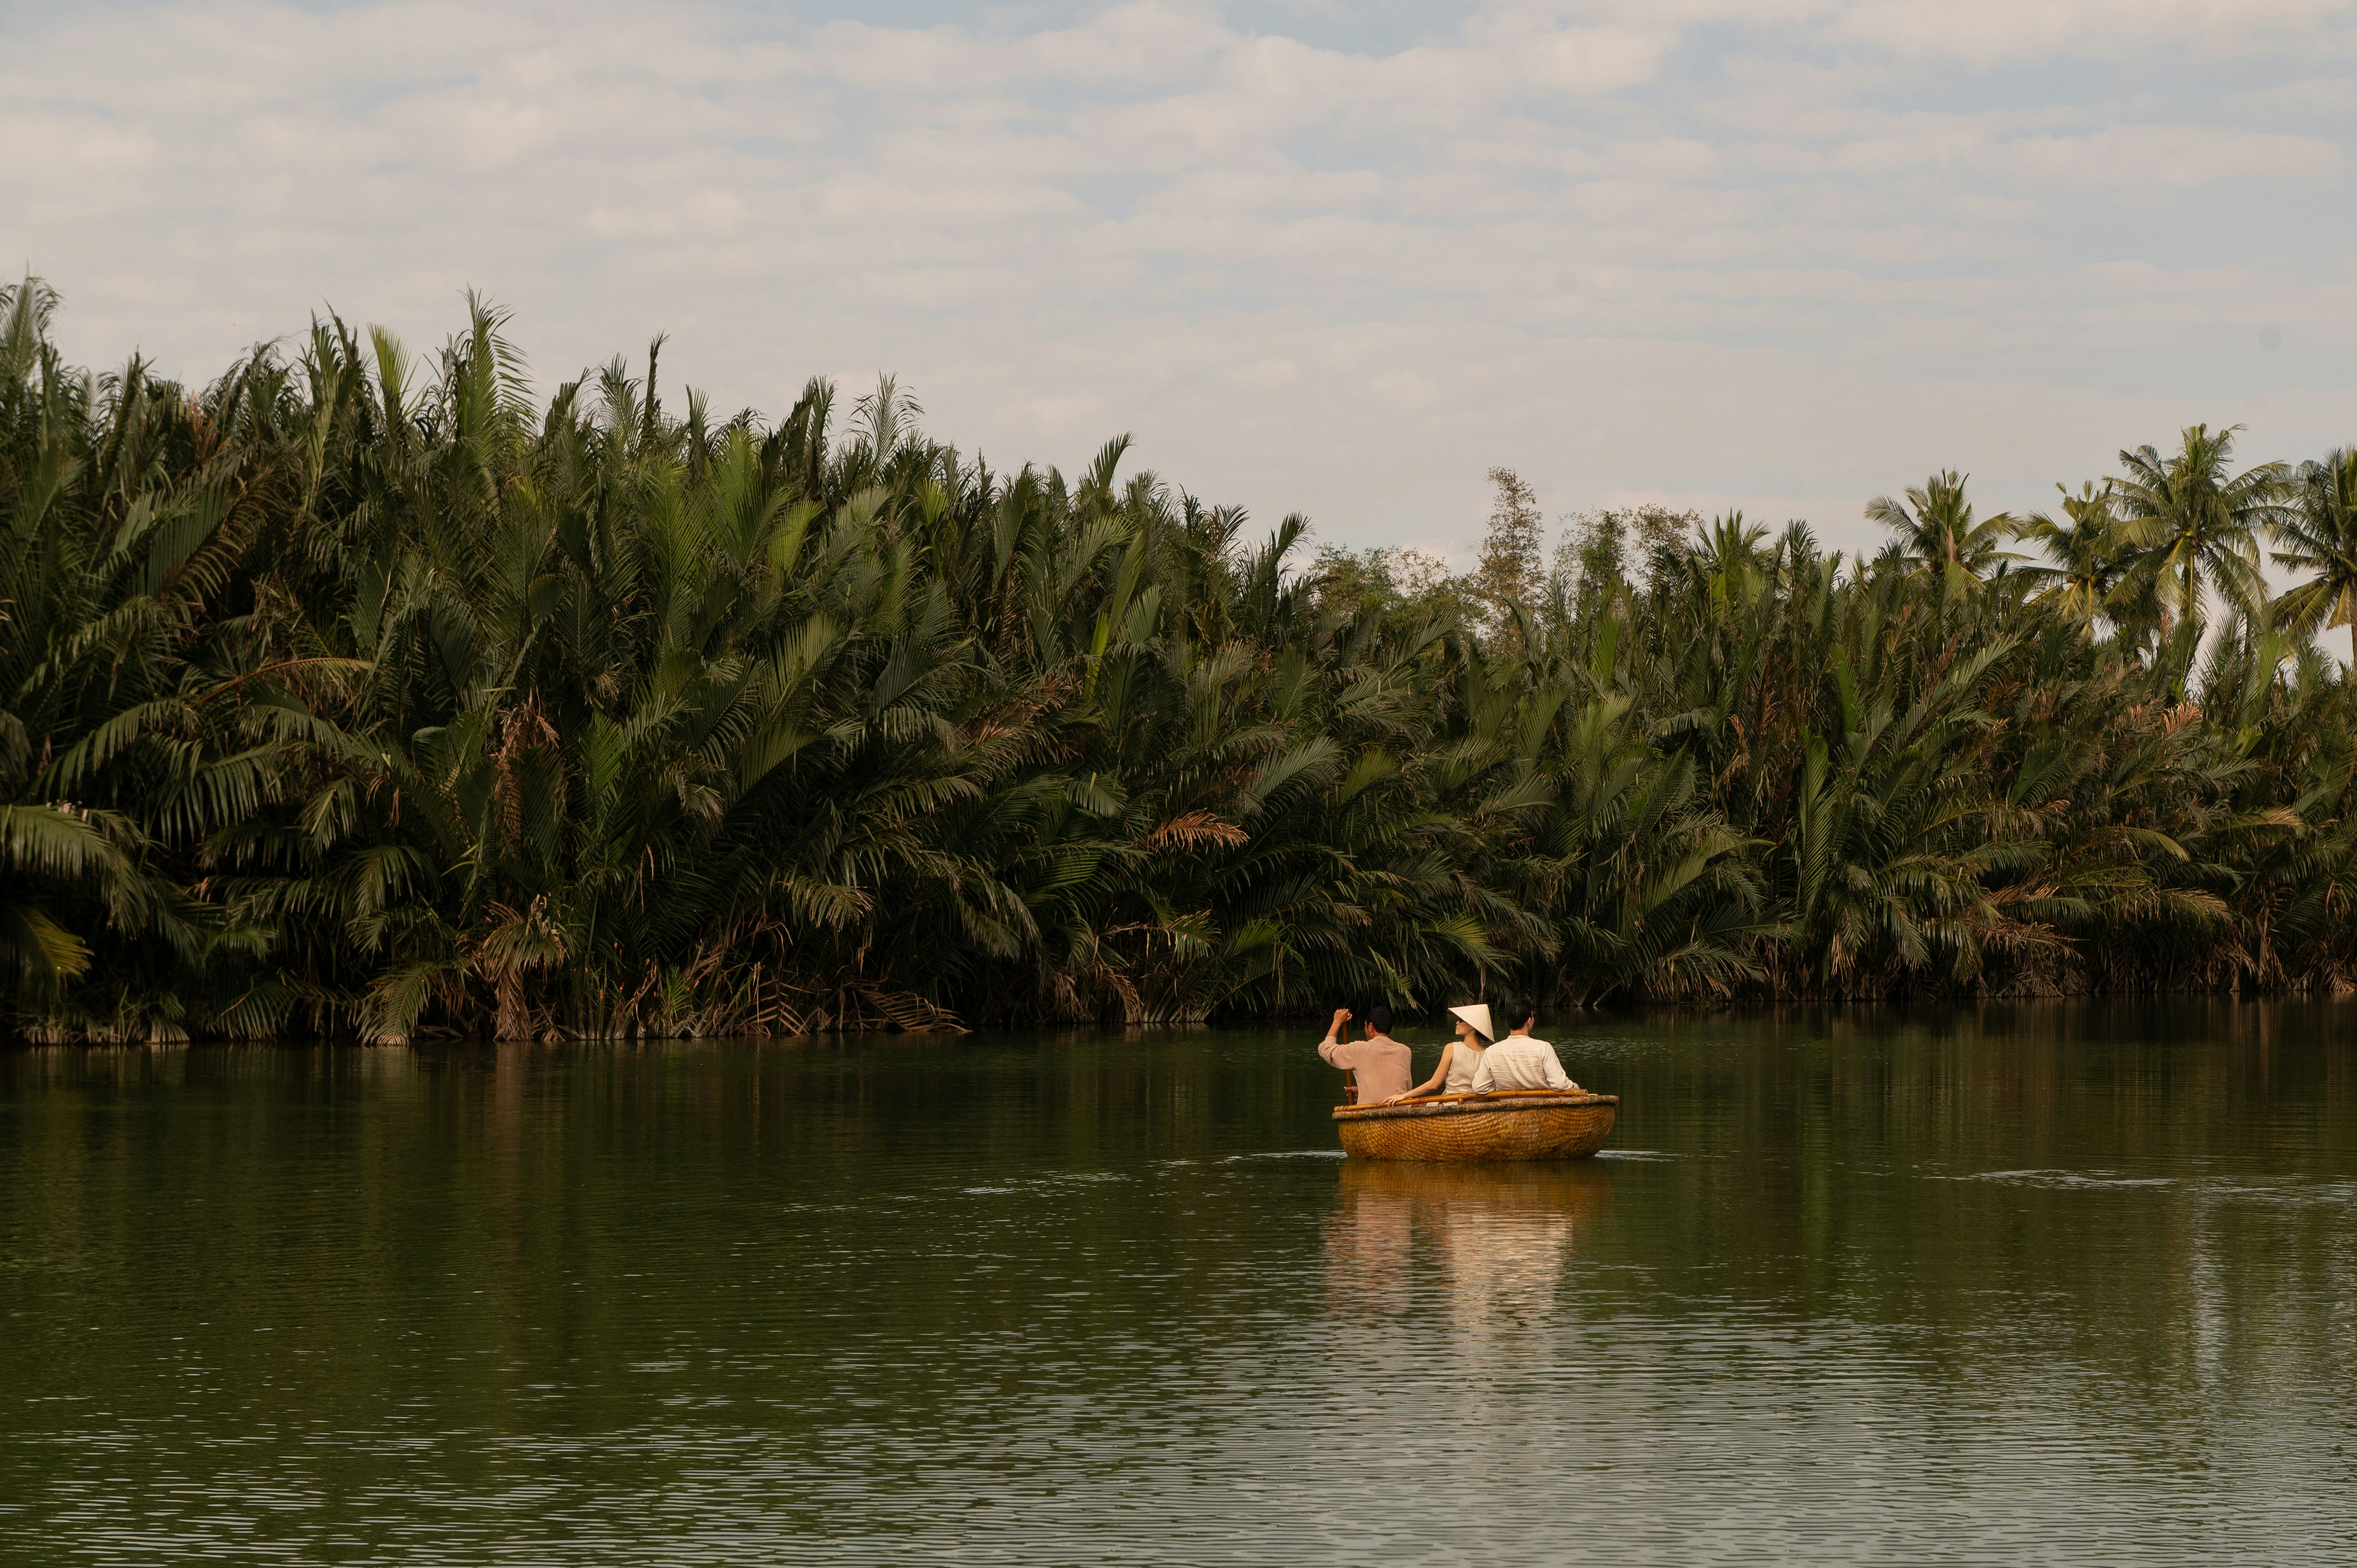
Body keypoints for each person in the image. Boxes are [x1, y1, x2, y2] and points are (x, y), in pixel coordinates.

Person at [1469, 998, 1580, 1093]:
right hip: (1543, 1110)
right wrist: (1574, 1087)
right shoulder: (1543, 1048)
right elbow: (1560, 1085)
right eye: (1533, 1016)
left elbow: (1479, 1087)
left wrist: (1500, 1089)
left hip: (1508, 1114)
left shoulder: (1491, 1052)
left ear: (1508, 1022)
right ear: (1529, 1020)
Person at [1386, 1003, 1493, 1102]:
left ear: (1472, 1027)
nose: (1457, 1022)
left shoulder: (1451, 1048)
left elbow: (1434, 1084)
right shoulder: (1488, 1054)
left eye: (1461, 1020)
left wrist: (1404, 1095)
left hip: (1451, 1107)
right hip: (1477, 1110)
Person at [1318, 1005, 1413, 1105]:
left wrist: (1337, 1022)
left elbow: (1326, 1049)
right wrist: (1363, 1091)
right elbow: (1403, 1089)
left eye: (1365, 1026)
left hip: (1371, 1113)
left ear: (1371, 1027)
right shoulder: (1405, 1051)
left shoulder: (1359, 1049)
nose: (1365, 1030)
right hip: (1401, 1111)